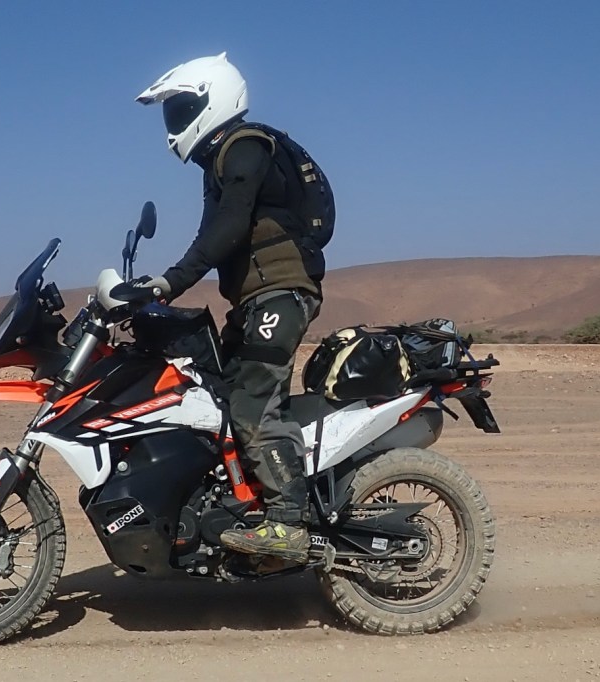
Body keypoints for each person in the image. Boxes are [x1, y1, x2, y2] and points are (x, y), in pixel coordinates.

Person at [135, 53, 334, 562]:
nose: (174, 123)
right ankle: (242, 502)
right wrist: (155, 285)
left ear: (215, 98)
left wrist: (170, 283)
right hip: (254, 299)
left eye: (182, 109)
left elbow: (229, 227)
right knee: (214, 392)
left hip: (281, 292)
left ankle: (289, 522)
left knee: (252, 403)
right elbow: (211, 234)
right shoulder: (219, 160)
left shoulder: (245, 147)